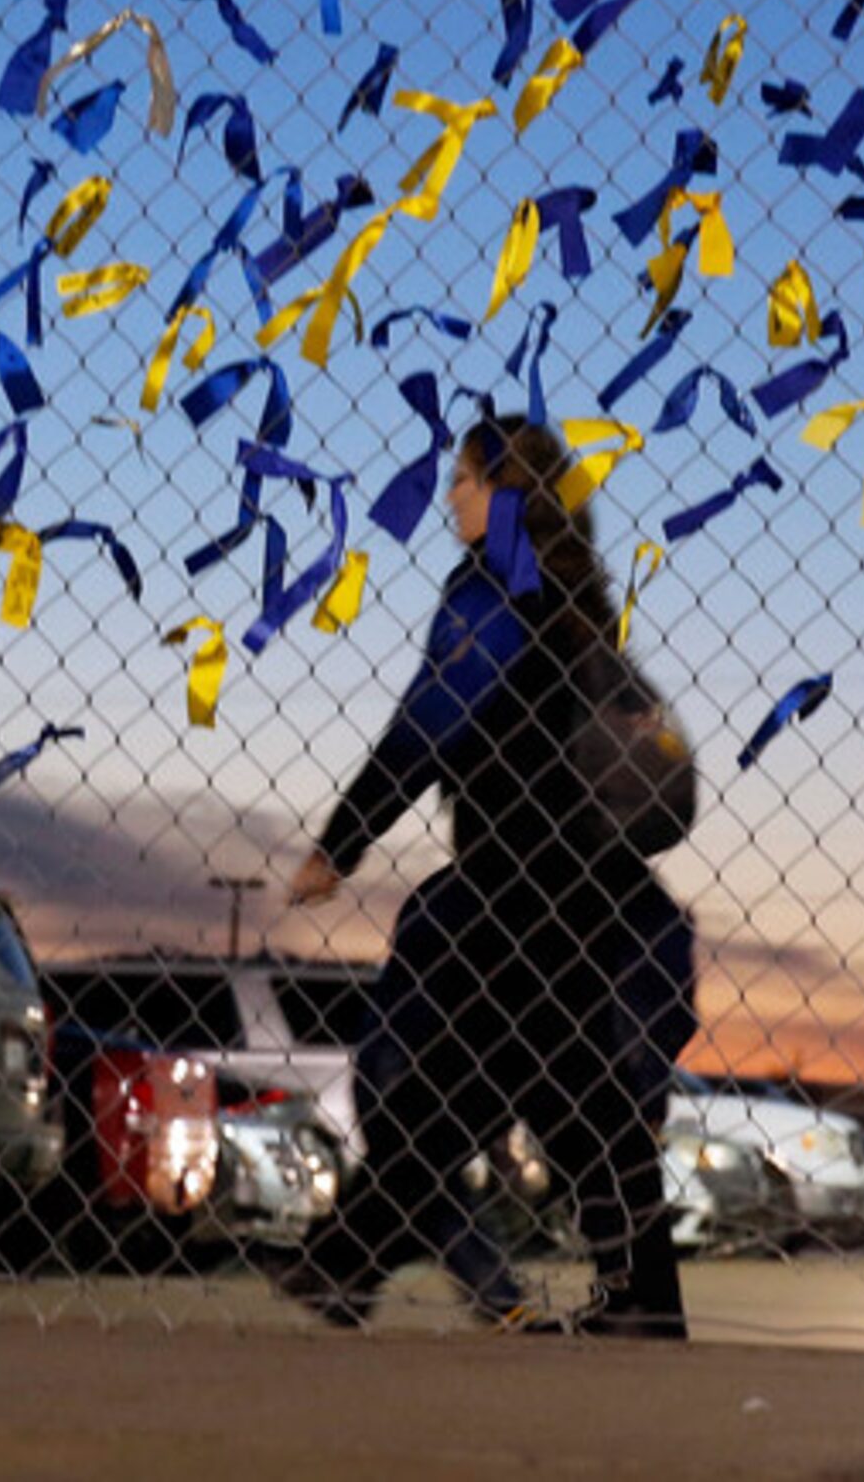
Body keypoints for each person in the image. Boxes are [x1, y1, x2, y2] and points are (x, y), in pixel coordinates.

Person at [279, 416, 689, 1339]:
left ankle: (345, 1259)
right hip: (581, 880)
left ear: (506, 494)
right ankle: (642, 1298)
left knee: (481, 1086)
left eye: (465, 481)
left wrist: (341, 843)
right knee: (560, 1088)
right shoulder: (572, 592)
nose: (450, 497)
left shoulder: (492, 591)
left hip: (511, 883)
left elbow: (430, 723)